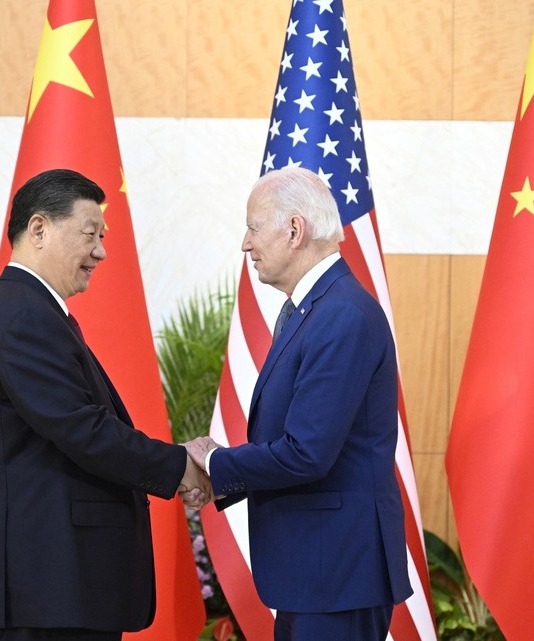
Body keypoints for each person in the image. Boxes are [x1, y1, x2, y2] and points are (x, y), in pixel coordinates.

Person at [0, 168, 211, 641]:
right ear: (39, 229)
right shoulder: (22, 317)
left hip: (61, 587)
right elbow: (84, 430)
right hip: (51, 585)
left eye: (102, 236)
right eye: (89, 234)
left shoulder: (29, 310)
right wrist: (181, 464)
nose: (101, 251)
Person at [185, 167, 412, 640]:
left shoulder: (342, 315)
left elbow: (307, 451)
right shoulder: (315, 310)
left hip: (336, 573)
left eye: (252, 227)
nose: (246, 244)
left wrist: (216, 464)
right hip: (316, 572)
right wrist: (222, 478)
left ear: (294, 230)